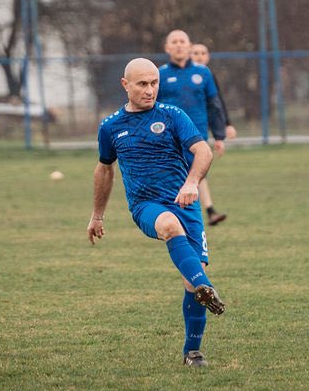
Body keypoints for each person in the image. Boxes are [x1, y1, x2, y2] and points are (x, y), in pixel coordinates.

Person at [88, 57, 226, 368]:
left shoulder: (173, 115)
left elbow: (202, 151)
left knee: (191, 279)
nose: (150, 90)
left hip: (185, 201)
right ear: (125, 85)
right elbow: (104, 169)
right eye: (142, 84)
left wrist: (191, 183)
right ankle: (204, 286)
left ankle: (192, 352)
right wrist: (97, 215)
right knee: (169, 225)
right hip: (146, 205)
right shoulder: (111, 127)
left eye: (154, 83)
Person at [159, 30, 229, 226]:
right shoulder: (160, 74)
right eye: (174, 42)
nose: (179, 45)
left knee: (195, 175)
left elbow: (214, 105)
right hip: (169, 137)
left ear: (189, 46)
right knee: (174, 176)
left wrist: (219, 136)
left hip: (197, 136)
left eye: (182, 41)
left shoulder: (203, 73)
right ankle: (178, 217)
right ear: (167, 48)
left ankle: (195, 216)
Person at [190, 43, 238, 141]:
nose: (199, 56)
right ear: (188, 55)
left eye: (203, 53)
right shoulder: (180, 75)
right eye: (196, 53)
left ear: (208, 57)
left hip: (202, 123)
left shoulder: (209, 75)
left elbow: (217, 101)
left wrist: (227, 124)